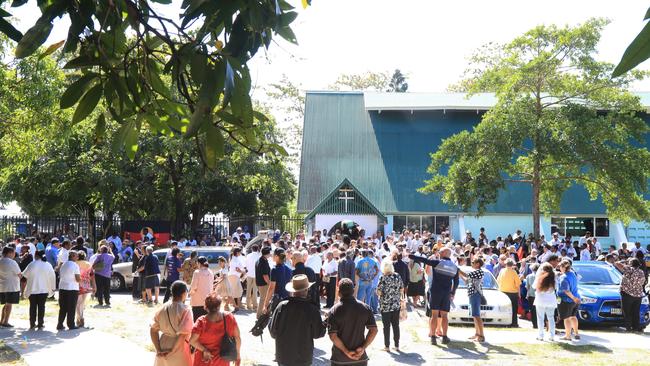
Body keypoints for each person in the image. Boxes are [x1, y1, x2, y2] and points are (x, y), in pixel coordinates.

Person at [269, 274, 326, 366]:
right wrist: (324, 324)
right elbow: (318, 333)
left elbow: (273, 331)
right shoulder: (312, 309)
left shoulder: (282, 306)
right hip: (303, 358)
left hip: (284, 356)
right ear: (307, 290)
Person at [409, 247, 459, 345]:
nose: (439, 253)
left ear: (444, 253)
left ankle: (433, 337)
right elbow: (456, 282)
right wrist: (452, 293)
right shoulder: (454, 267)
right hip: (446, 293)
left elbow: (425, 260)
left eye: (440, 252)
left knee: (434, 315)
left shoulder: (438, 262)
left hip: (436, 292)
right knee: (444, 316)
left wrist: (412, 256)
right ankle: (444, 337)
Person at [327, 278, 378, 366]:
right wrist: (363, 348)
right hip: (360, 358)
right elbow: (374, 330)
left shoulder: (334, 311)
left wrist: (346, 352)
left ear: (339, 292)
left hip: (340, 359)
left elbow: (333, 336)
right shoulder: (365, 308)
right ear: (353, 291)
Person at [190, 294, 241, 366]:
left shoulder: (201, 321)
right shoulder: (229, 317)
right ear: (219, 306)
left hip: (204, 360)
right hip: (222, 360)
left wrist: (204, 350)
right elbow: (237, 337)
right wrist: (237, 354)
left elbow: (192, 341)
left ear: (205, 307)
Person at [150, 281, 193, 366]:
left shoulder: (162, 307)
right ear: (184, 293)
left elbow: (153, 329)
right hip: (180, 347)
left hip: (163, 344)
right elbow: (183, 334)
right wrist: (173, 351)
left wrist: (158, 349)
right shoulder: (186, 310)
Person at [22, 250, 55, 329]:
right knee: (41, 307)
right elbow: (52, 277)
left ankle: (32, 323)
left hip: (32, 290)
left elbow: (24, 276)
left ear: (36, 255)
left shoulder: (31, 264)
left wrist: (23, 290)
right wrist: (52, 288)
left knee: (32, 307)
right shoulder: (47, 265)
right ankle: (40, 323)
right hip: (43, 290)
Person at [376, 260, 403, 351]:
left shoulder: (383, 277)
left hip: (385, 305)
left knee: (386, 327)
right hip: (396, 304)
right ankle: (397, 345)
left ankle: (387, 346)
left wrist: (382, 293)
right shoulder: (397, 276)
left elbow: (379, 292)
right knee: (396, 325)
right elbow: (402, 289)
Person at [614, 258, 646, 332]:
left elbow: (616, 263)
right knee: (635, 312)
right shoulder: (641, 271)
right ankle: (636, 328)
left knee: (627, 312)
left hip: (627, 294)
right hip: (638, 295)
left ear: (630, 264)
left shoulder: (629, 269)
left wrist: (624, 261)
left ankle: (628, 328)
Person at [459, 257, 486, 342]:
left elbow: (467, 275)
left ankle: (481, 336)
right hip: (472, 294)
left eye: (473, 262)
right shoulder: (475, 272)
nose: (472, 263)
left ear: (478, 264)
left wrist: (458, 270)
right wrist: (459, 273)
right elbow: (467, 281)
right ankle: (477, 334)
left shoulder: (479, 272)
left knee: (477, 315)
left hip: (475, 294)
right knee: (474, 315)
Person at [261, 248, 292, 315]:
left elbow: (271, 288)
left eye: (273, 255)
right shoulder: (289, 269)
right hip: (287, 299)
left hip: (278, 300)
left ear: (277, 257)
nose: (272, 256)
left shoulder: (274, 269)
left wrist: (265, 305)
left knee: (276, 322)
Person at [533, 263, 557, 341]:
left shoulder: (539, 278)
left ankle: (541, 335)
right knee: (551, 318)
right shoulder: (554, 278)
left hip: (540, 300)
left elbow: (534, 287)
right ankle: (552, 336)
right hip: (551, 300)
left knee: (540, 318)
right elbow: (556, 287)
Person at [57, 250, 81, 330]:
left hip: (62, 287)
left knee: (63, 307)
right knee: (71, 307)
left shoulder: (63, 264)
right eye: (76, 256)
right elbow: (77, 279)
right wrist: (81, 279)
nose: (77, 257)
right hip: (72, 288)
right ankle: (71, 324)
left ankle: (60, 324)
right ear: (73, 257)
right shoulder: (75, 265)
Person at [558, 259, 581, 341]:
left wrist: (573, 298)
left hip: (567, 300)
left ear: (563, 267)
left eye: (560, 266)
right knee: (573, 316)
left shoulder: (563, 277)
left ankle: (567, 336)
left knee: (566, 318)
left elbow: (566, 290)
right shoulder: (573, 274)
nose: (559, 268)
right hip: (576, 298)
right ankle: (576, 333)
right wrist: (575, 298)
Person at [0, 246, 22, 327]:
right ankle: (5, 321)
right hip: (11, 286)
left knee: (5, 304)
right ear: (9, 253)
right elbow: (19, 274)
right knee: (9, 305)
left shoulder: (1, 261)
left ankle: (2, 320)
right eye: (13, 253)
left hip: (2, 286)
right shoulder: (12, 262)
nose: (14, 255)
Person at [497, 258, 521, 327]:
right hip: (513, 293)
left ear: (505, 264)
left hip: (503, 292)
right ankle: (514, 323)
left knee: (503, 308)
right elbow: (518, 284)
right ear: (512, 264)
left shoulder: (502, 271)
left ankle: (502, 322)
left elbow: (498, 281)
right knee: (514, 309)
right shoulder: (514, 272)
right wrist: (519, 294)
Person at [189, 257, 214, 322]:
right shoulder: (210, 272)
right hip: (208, 300)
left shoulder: (197, 272)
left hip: (197, 300)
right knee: (206, 321)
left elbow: (194, 286)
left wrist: (191, 293)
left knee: (197, 321)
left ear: (199, 263)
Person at [76, 251, 95, 327]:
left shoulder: (75, 264)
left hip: (77, 285)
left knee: (78, 303)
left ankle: (79, 318)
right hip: (86, 285)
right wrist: (94, 286)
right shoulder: (88, 264)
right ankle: (80, 318)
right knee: (82, 303)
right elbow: (92, 276)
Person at [254, 247, 271, 318]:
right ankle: (259, 315)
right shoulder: (263, 262)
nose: (270, 254)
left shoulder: (260, 260)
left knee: (262, 298)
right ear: (267, 253)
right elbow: (265, 275)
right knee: (263, 299)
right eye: (269, 252)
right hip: (264, 283)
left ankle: (261, 314)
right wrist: (270, 283)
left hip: (259, 283)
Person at [227, 248, 245, 312]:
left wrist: (243, 271)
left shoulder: (235, 258)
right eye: (240, 252)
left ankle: (237, 305)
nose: (240, 253)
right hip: (233, 276)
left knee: (239, 291)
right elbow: (237, 269)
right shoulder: (235, 259)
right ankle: (234, 306)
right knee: (232, 292)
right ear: (237, 252)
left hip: (234, 276)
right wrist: (243, 272)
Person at [244, 245, 261, 312]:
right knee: (255, 290)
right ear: (257, 249)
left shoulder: (248, 256)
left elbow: (245, 265)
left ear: (252, 249)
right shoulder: (259, 256)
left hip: (249, 274)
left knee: (248, 289)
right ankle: (255, 305)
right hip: (256, 275)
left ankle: (248, 305)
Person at [525, 263, 539, 329]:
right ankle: (540, 324)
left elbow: (527, 287)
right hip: (538, 295)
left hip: (531, 295)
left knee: (532, 310)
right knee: (539, 310)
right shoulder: (540, 276)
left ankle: (534, 325)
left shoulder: (528, 276)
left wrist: (527, 294)